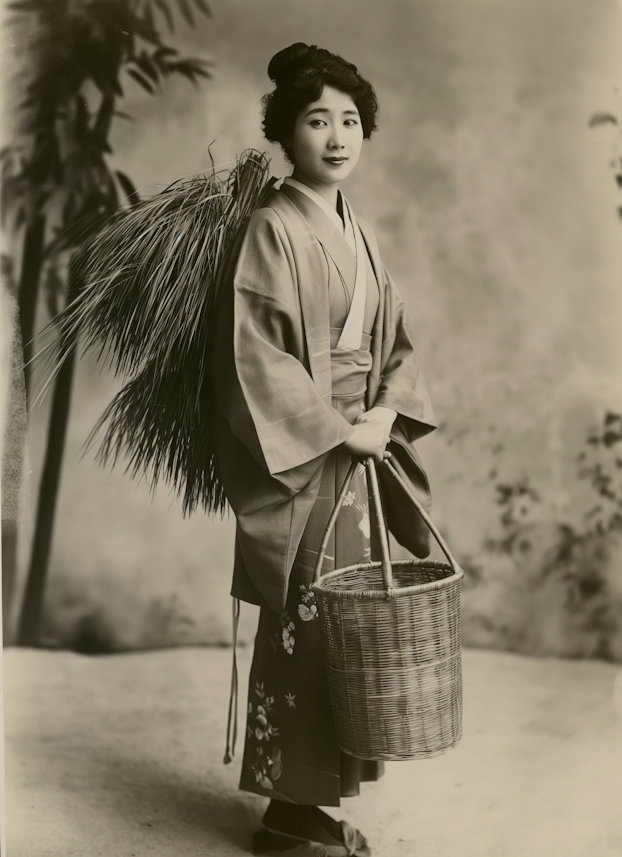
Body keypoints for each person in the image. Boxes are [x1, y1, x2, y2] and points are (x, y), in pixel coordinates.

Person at [211, 42, 437, 856]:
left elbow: (398, 343)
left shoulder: (362, 235)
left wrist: (383, 413)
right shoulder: (273, 229)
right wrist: (341, 429)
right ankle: (286, 812)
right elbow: (255, 357)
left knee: (354, 630)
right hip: (309, 461)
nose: (337, 137)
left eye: (349, 120)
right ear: (286, 132)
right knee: (307, 623)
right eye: (317, 120)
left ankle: (315, 802)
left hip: (362, 455)